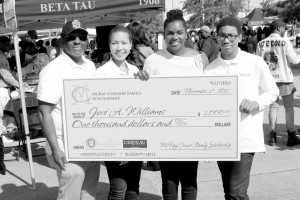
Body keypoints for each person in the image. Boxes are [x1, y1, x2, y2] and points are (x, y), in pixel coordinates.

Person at [204, 16, 279, 200]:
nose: (227, 39)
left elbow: (272, 91)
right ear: (216, 37)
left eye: (231, 35)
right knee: (228, 191)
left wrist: (257, 103)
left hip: (245, 137)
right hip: (222, 139)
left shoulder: (254, 62)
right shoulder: (210, 69)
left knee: (237, 193)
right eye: (222, 35)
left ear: (239, 37)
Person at [143, 9, 209, 200]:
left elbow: (208, 94)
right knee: (169, 183)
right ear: (164, 35)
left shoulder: (200, 58)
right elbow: (145, 97)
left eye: (179, 32)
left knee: (190, 181)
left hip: (192, 131)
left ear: (186, 33)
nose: (175, 37)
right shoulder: (153, 60)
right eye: (170, 33)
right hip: (165, 132)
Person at [37, 19, 100, 200]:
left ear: (88, 40)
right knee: (71, 188)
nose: (77, 41)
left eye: (82, 36)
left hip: (89, 144)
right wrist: (56, 149)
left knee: (88, 194)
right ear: (63, 41)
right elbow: (44, 112)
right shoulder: (53, 70)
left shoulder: (89, 65)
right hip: (65, 146)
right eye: (72, 37)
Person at [96, 26, 148, 200]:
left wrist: (147, 84)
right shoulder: (100, 74)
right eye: (115, 43)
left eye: (124, 43)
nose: (120, 48)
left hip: (136, 137)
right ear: (109, 45)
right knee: (119, 188)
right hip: (113, 140)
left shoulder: (135, 71)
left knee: (133, 187)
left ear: (131, 44)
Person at [256, 19, 300, 147]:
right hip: (285, 78)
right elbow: (294, 60)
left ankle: (272, 135)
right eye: (284, 28)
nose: (285, 30)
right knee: (289, 108)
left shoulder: (261, 43)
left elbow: (258, 62)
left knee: (273, 108)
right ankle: (291, 134)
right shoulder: (285, 42)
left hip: (269, 80)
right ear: (279, 28)